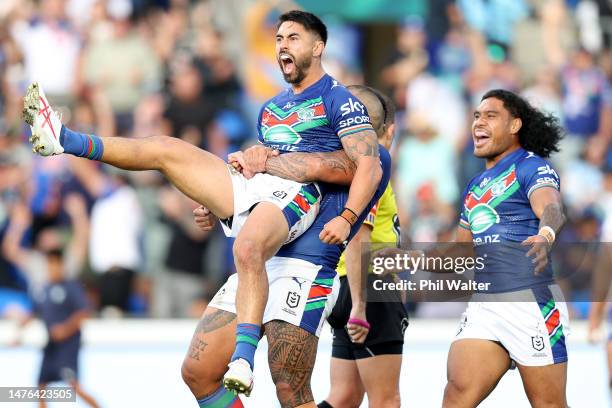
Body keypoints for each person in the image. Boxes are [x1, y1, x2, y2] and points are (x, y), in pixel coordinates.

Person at [23, 9, 385, 406]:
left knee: (290, 387)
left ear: (318, 48)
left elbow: (367, 164)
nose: (283, 45)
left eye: (293, 38)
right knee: (196, 373)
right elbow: (266, 170)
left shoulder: (340, 100)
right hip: (266, 223)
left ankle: (243, 359)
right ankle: (66, 139)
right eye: (279, 38)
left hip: (305, 252)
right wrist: (221, 206)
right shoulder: (271, 109)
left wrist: (349, 217)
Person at [187, 86, 392, 407]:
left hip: (343, 281)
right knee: (343, 395)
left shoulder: (368, 166)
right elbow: (258, 189)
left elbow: (359, 238)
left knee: (372, 398)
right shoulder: (303, 146)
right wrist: (219, 204)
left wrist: (359, 307)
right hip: (288, 270)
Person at [380, 89, 568, 407]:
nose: (479, 123)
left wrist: (546, 233)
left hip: (529, 303)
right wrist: (409, 257)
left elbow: (551, 206)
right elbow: (460, 254)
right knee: (457, 394)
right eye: (477, 116)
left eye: (490, 116)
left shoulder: (531, 167)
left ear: (515, 125)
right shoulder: (476, 187)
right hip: (485, 305)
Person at [319, 86, 407, 408]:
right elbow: (359, 235)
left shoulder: (339, 169)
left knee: (343, 397)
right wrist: (360, 305)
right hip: (370, 289)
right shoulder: (373, 168)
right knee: (385, 399)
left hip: (339, 284)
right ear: (390, 130)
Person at [2, 196, 100, 408]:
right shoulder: (39, 271)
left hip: (67, 343)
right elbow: (10, 250)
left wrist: (78, 214)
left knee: (74, 386)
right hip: (51, 343)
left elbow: (84, 310)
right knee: (41, 386)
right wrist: (18, 223)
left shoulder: (68, 274)